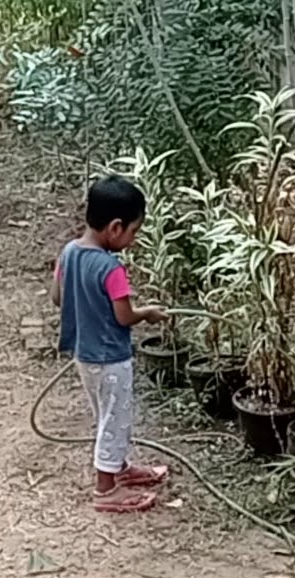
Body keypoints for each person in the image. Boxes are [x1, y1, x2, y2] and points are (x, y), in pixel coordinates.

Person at [51, 176, 170, 513]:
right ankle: (106, 490)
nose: (133, 240)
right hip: (111, 358)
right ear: (115, 227)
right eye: (134, 232)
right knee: (115, 419)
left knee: (104, 415)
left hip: (84, 356)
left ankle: (119, 468)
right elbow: (123, 317)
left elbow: (56, 297)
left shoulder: (69, 252)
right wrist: (146, 313)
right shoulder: (111, 268)